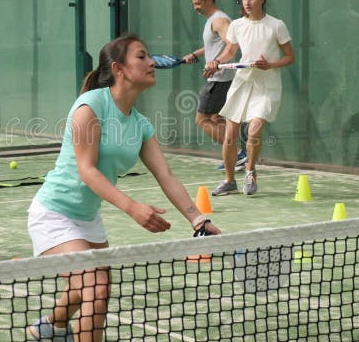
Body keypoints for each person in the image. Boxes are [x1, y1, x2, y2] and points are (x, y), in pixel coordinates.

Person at [27, 34, 221, 342]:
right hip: (54, 213)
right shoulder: (90, 107)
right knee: (96, 287)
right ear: (118, 68)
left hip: (88, 218)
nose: (153, 62)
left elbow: (165, 175)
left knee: (88, 288)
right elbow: (87, 171)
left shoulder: (140, 124)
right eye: (142, 57)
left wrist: (198, 219)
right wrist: (133, 207)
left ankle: (51, 327)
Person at [204, 0, 295, 196]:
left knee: (253, 130)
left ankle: (250, 171)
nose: (247, 2)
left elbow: (290, 57)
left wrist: (270, 65)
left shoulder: (276, 25)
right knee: (229, 137)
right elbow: (230, 51)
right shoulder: (236, 25)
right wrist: (216, 62)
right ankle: (229, 181)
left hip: (267, 85)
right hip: (242, 82)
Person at [181, 0, 247, 172]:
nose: (195, 8)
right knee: (216, 119)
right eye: (194, 4)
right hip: (221, 78)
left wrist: (216, 62)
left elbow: (232, 44)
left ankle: (239, 152)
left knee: (201, 120)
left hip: (220, 79)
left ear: (209, 0)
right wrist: (196, 54)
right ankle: (234, 155)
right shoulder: (214, 20)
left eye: (198, 3)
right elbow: (213, 45)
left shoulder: (219, 21)